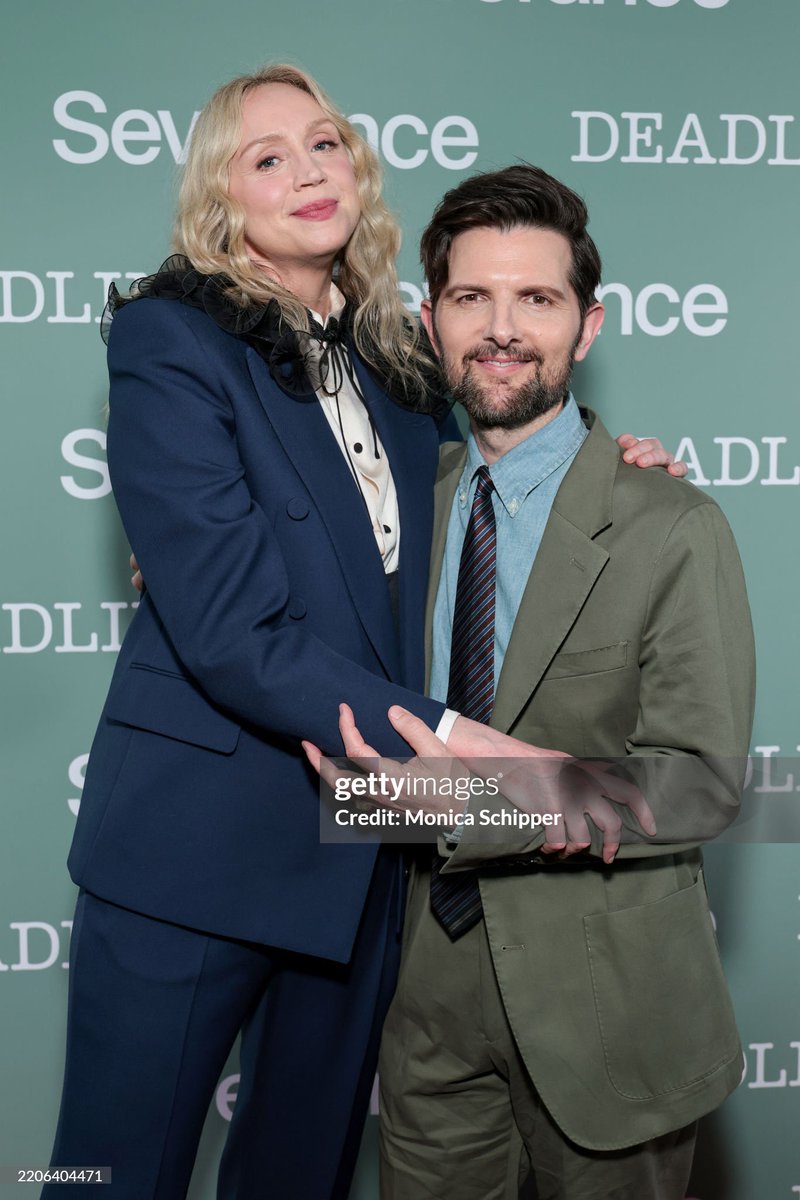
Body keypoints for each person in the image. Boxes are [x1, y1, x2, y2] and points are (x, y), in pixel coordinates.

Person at [46, 63, 681, 1200]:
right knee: (111, 1176)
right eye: (267, 157)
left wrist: (610, 471)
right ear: (222, 196)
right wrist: (477, 749)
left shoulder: (398, 363)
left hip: (360, 844)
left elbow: (494, 468)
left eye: (324, 143)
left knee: (301, 1176)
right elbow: (231, 629)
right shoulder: (169, 338)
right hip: (193, 846)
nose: (307, 171)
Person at [306, 165, 755, 1200]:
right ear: (430, 322)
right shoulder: (398, 511)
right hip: (423, 1001)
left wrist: (460, 804)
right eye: (472, 297)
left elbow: (700, 786)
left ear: (586, 327)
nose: (501, 329)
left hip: (610, 1007)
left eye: (537, 299)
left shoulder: (671, 525)